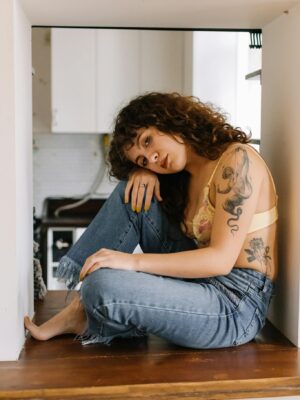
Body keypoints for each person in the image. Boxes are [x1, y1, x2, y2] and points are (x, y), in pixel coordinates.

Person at [24, 92, 278, 349]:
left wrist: (131, 262)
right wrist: (142, 172)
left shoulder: (236, 160)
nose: (153, 158)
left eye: (148, 141)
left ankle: (89, 308)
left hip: (236, 304)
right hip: (203, 284)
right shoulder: (183, 177)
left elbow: (220, 261)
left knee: (101, 287)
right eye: (144, 159)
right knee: (131, 192)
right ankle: (81, 304)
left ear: (169, 120)